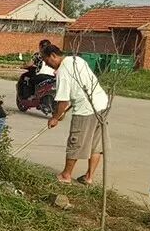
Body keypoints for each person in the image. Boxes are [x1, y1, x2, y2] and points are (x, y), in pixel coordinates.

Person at [41, 44, 109, 185]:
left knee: (75, 141)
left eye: (47, 61)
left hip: (86, 110)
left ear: (53, 55)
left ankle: (66, 175)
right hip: (102, 103)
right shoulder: (76, 59)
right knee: (96, 144)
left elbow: (62, 101)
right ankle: (89, 177)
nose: (47, 65)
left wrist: (55, 118)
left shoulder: (62, 71)